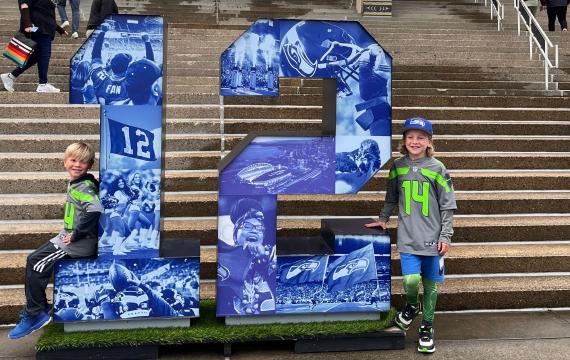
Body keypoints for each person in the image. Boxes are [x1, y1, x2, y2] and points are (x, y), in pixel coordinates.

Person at [365, 117, 457, 353]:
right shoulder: (397, 166)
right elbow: (391, 197)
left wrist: (445, 236)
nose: (415, 141)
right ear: (404, 141)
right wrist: (384, 219)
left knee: (431, 286)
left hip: (433, 239)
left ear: (429, 142)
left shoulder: (438, 168)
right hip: (407, 237)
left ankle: (427, 327)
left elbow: (448, 205)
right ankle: (411, 306)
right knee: (410, 281)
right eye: (410, 137)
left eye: (421, 137)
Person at [8, 142, 102, 339]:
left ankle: (35, 313)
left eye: (83, 162)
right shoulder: (80, 182)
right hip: (68, 237)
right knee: (34, 260)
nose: (77, 165)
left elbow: (95, 208)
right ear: (65, 162)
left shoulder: (83, 186)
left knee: (35, 263)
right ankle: (39, 308)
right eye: (73, 160)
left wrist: (77, 234)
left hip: (77, 243)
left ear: (90, 165)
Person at [1, 0, 68, 93]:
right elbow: (24, 4)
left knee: (37, 56)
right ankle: (43, 84)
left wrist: (59, 29)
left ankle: (10, 76)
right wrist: (26, 23)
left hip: (44, 27)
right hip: (38, 27)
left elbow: (45, 13)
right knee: (44, 54)